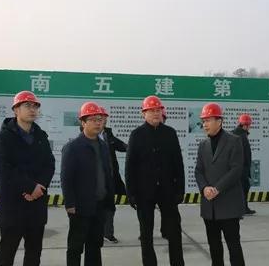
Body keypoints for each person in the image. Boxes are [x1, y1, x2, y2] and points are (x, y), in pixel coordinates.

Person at [0, 91, 55, 266]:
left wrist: (39, 187)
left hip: (36, 204)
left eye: (35, 106)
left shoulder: (41, 136)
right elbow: (3, 169)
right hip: (13, 205)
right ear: (16, 110)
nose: (32, 109)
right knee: (6, 255)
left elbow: (49, 164)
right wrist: (30, 187)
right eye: (27, 105)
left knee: (34, 255)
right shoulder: (3, 137)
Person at [126, 95, 185, 266]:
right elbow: (130, 166)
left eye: (158, 110)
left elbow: (178, 163)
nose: (156, 113)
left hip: (168, 191)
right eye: (151, 110)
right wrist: (131, 193)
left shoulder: (170, 133)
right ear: (143, 113)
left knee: (174, 232)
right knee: (146, 234)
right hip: (144, 193)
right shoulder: (136, 135)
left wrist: (180, 190)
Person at [62, 102, 115, 266]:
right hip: (80, 207)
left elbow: (107, 174)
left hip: (99, 205)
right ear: (83, 122)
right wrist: (70, 203)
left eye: (100, 119)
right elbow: (66, 178)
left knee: (95, 246)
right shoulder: (73, 147)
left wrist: (109, 201)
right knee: (76, 247)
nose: (98, 123)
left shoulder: (103, 146)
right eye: (92, 120)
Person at [195, 103, 246, 266]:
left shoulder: (234, 141)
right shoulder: (203, 145)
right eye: (203, 121)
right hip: (209, 206)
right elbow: (198, 171)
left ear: (219, 121)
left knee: (234, 246)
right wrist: (204, 188)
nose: (205, 125)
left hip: (229, 204)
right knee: (214, 247)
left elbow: (236, 169)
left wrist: (217, 189)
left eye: (208, 120)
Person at [98, 107, 127, 244]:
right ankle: (95, 233)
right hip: (95, 180)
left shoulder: (108, 134)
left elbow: (120, 145)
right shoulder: (86, 136)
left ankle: (108, 233)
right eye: (101, 118)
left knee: (110, 206)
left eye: (105, 118)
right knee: (96, 208)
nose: (104, 120)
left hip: (110, 178)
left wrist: (132, 147)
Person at [231, 113, 255, 215]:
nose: (249, 127)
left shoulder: (233, 134)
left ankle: (239, 208)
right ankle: (243, 208)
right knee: (244, 187)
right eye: (249, 125)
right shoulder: (242, 136)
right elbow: (245, 154)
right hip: (241, 168)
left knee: (238, 188)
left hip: (235, 168)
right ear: (245, 125)